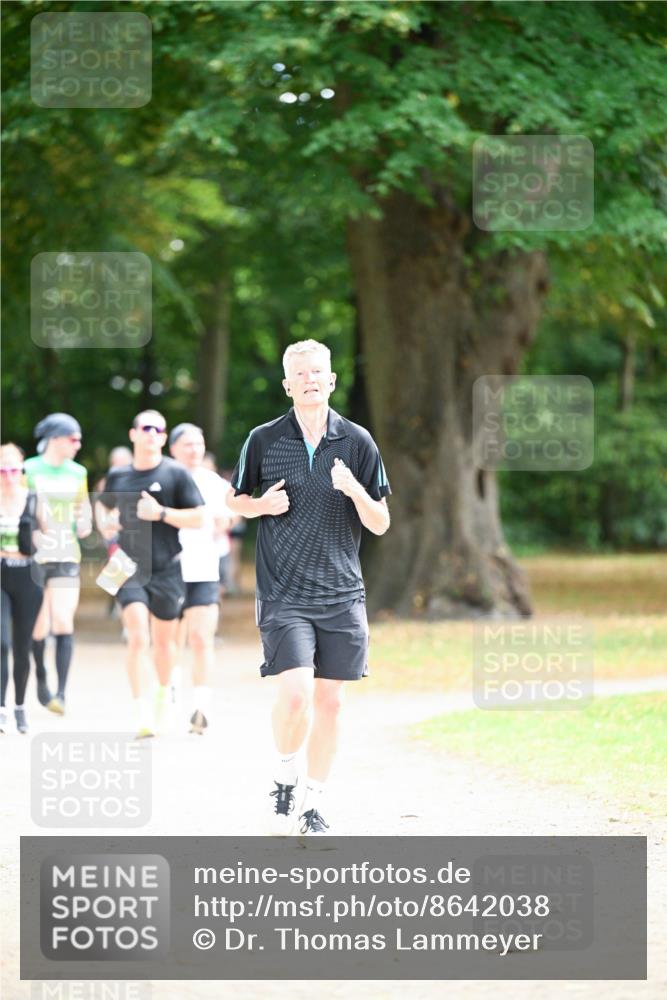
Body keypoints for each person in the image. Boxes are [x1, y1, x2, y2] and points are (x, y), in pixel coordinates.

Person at [227, 339, 391, 835]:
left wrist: (355, 489)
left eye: (318, 372)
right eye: (300, 374)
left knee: (331, 702)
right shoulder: (263, 439)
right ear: (287, 384)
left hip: (342, 592)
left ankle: (314, 803)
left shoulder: (358, 441)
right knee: (296, 695)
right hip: (284, 591)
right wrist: (260, 507)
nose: (310, 380)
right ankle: (284, 771)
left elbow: (381, 523)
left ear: (332, 380)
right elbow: (235, 500)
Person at [96, 410, 204, 738]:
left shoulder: (175, 474)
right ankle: (141, 708)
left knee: (164, 643)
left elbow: (199, 517)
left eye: (159, 429)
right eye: (146, 428)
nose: (153, 433)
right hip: (126, 566)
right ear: (133, 435)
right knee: (137, 636)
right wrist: (107, 524)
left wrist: (161, 513)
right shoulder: (118, 475)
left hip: (167, 566)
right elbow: (102, 506)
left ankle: (162, 691)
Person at [24, 413, 92, 714]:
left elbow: (85, 513)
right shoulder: (27, 469)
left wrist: (85, 522)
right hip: (33, 556)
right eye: (72, 438)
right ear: (54, 438)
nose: (78, 444)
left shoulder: (78, 472)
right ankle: (41, 681)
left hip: (66, 553)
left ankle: (61, 694)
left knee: (63, 619)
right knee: (38, 626)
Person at [169, 423, 234, 734]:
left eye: (199, 443)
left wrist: (226, 521)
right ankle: (169, 693)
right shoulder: (162, 478)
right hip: (168, 571)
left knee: (200, 637)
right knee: (170, 641)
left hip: (204, 570)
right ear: (173, 449)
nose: (194, 449)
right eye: (187, 444)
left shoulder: (213, 483)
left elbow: (232, 514)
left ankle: (201, 706)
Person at [0, 444, 43, 734]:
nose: (9, 476)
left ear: (22, 470)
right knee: (2, 643)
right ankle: (1, 708)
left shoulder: (34, 500)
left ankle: (19, 707)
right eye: (3, 470)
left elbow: (53, 536)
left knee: (23, 647)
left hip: (28, 576)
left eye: (14, 470)